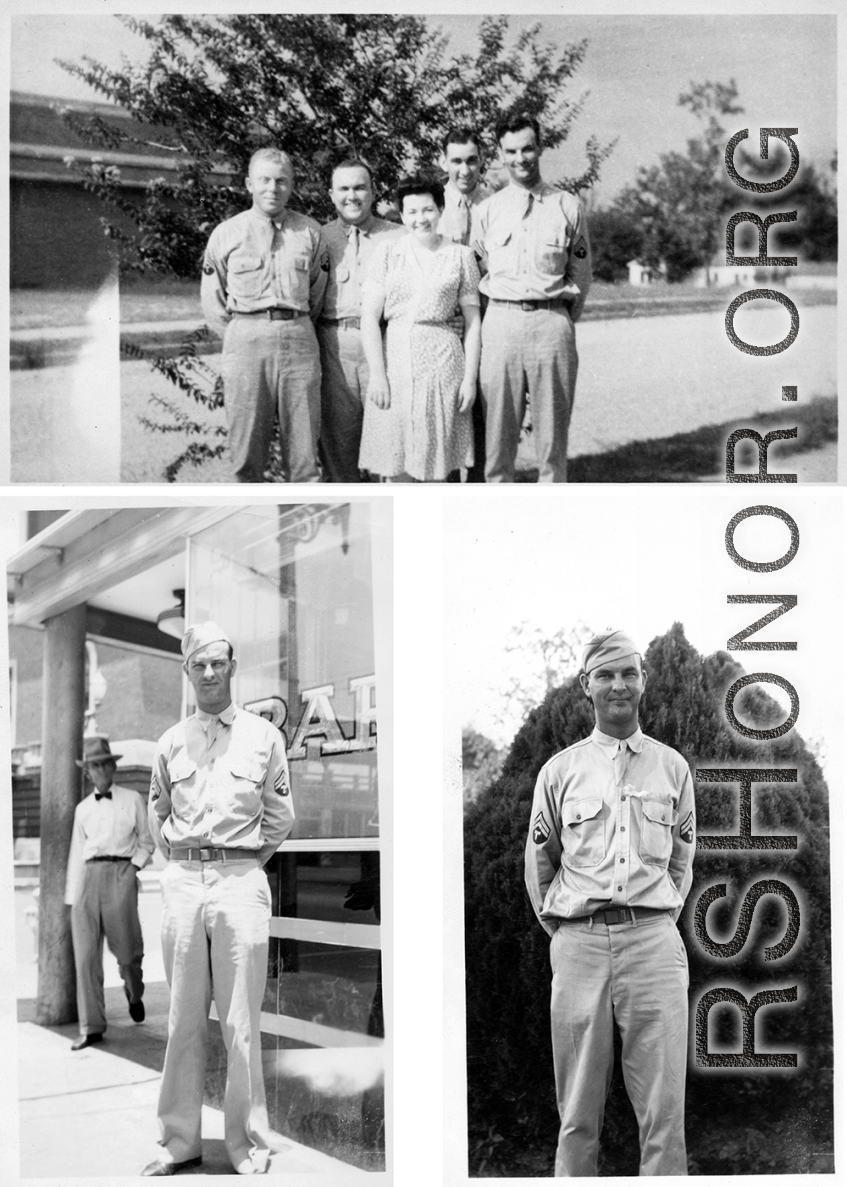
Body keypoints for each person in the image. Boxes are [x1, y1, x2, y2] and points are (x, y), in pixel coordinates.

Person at [524, 630, 696, 1177]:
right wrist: (570, 934)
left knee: (665, 1115)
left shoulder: (672, 768)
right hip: (580, 948)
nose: (618, 684)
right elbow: (540, 865)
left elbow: (681, 861)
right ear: (586, 686)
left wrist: (656, 920)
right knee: (576, 1113)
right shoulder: (560, 771)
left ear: (643, 681)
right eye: (605, 674)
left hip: (653, 946)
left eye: (628, 672)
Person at [142, 622, 294, 1177]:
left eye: (218, 663)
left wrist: (242, 863)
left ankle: (249, 1146)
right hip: (183, 884)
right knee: (183, 1018)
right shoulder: (170, 742)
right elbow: (158, 817)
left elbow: (279, 818)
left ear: (232, 669)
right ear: (188, 673)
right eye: (198, 665)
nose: (209, 673)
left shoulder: (263, 737)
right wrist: (184, 869)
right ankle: (178, 1142)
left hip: (239, 882)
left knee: (240, 1024)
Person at [472, 113, 592, 483]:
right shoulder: (487, 210)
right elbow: (478, 270)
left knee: (552, 445)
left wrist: (557, 317)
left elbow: (581, 275)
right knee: (497, 442)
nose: (520, 158)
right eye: (511, 151)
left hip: (550, 324)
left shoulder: (566, 206)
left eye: (527, 148)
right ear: (500, 154)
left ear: (539, 147)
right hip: (501, 325)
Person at [201, 147, 329, 483]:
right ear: (249, 184)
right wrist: (244, 332)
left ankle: (306, 524)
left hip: (298, 339)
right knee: (246, 455)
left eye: (282, 181)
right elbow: (213, 302)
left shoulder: (310, 232)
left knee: (304, 457)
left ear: (291, 186)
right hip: (246, 341)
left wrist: (294, 324)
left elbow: (317, 292)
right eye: (265, 180)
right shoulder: (226, 233)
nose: (273, 188)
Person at [358, 174, 481, 482]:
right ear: (402, 215)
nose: (420, 218)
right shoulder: (387, 253)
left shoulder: (461, 256)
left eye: (427, 210)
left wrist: (468, 380)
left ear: (440, 210)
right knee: (396, 463)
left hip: (443, 365)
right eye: (411, 212)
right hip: (395, 366)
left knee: (438, 465)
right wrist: (378, 374)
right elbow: (369, 318)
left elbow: (473, 322)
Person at [65, 735, 155, 1050]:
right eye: (94, 766)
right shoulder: (82, 809)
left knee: (128, 953)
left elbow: (147, 841)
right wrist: (73, 899)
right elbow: (77, 853)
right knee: (87, 958)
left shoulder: (132, 799)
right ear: (87, 772)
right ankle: (92, 1027)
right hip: (88, 880)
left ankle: (134, 991)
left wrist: (133, 869)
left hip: (121, 874)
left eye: (104, 763)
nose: (100, 770)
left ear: (112, 767)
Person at [317, 159, 402, 482]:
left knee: (391, 447)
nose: (352, 196)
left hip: (385, 347)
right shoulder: (318, 238)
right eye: (344, 188)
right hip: (334, 346)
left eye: (360, 187)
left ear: (374, 191)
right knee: (339, 450)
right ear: (331, 194)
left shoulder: (398, 237)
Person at [438, 127, 492, 483]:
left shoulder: (496, 204)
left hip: (485, 322)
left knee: (482, 419)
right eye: (456, 160)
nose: (464, 169)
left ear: (482, 160)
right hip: (443, 327)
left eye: (472, 160)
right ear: (442, 161)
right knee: (444, 418)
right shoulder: (430, 205)